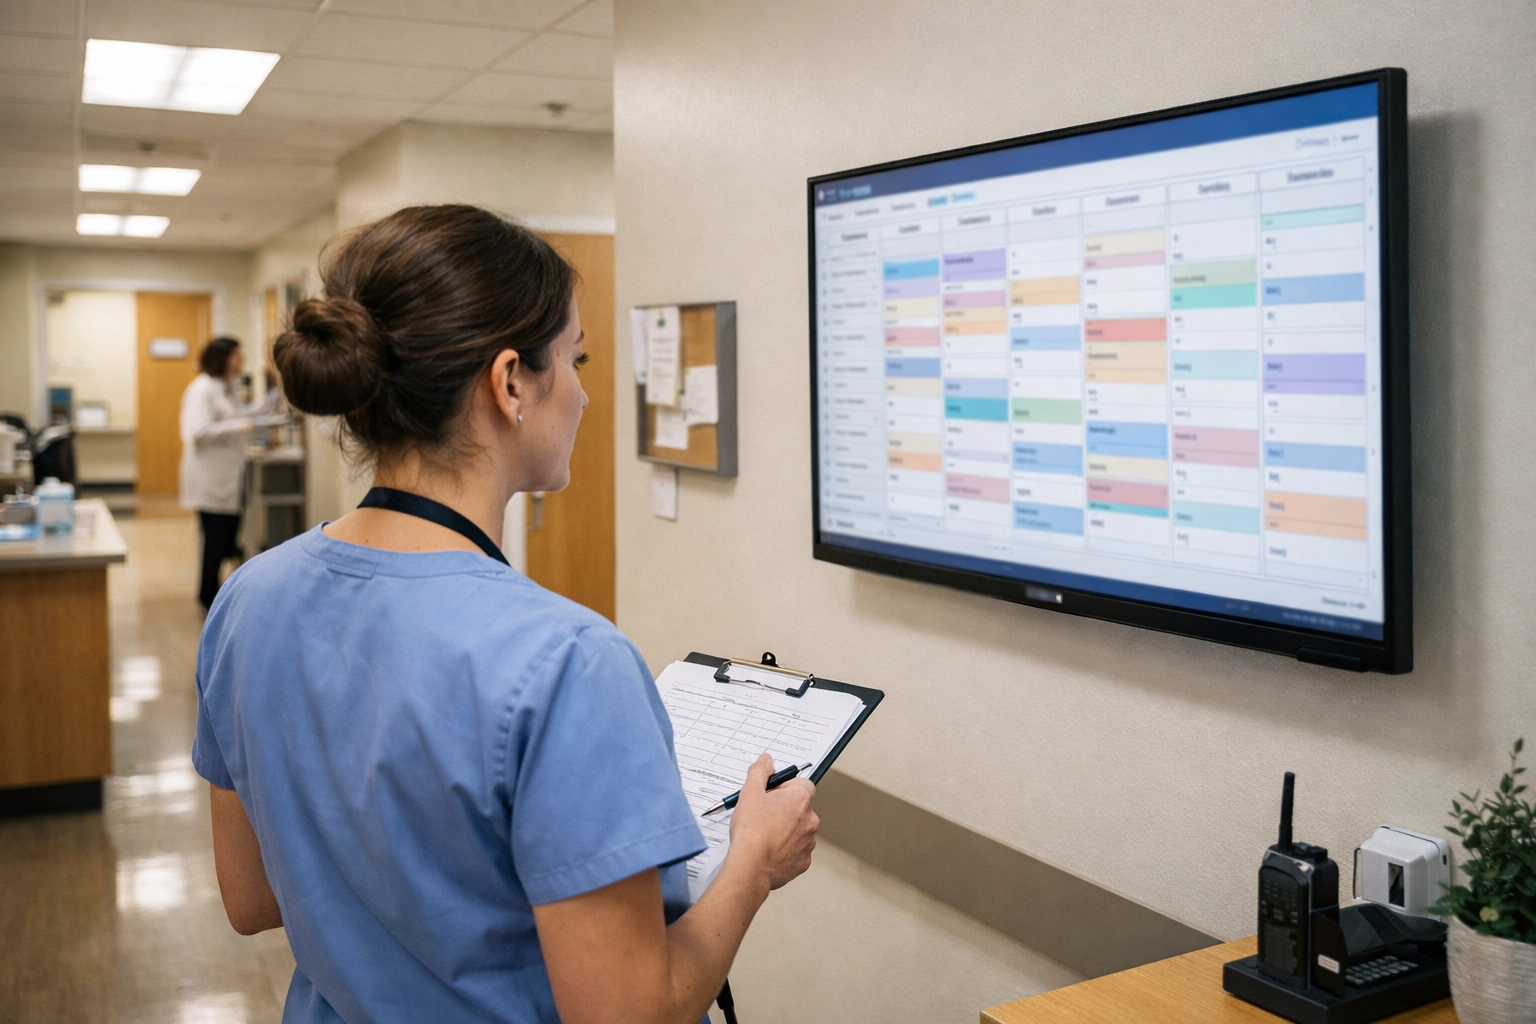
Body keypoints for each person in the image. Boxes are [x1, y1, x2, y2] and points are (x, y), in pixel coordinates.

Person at [192, 205, 819, 1024]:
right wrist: (754, 862)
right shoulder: (567, 660)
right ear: (511, 381)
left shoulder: (250, 598)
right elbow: (629, 1014)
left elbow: (251, 898)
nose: (589, 395)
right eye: (577, 359)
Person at [179, 335, 255, 610]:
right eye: (237, 355)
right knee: (216, 541)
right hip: (210, 477)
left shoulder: (226, 387)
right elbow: (197, 431)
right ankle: (207, 595)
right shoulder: (203, 389)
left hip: (227, 475)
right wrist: (239, 427)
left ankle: (217, 590)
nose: (241, 361)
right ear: (223, 358)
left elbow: (235, 414)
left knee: (225, 538)